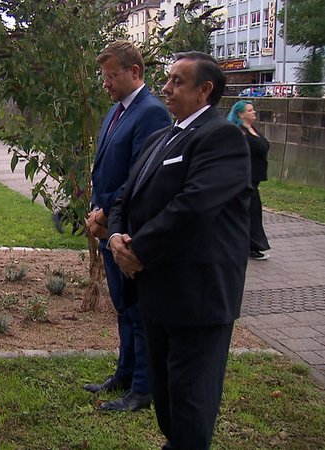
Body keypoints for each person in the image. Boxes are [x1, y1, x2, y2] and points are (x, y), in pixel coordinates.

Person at [107, 51, 251, 449]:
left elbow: (194, 205)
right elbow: (125, 195)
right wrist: (117, 236)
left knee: (190, 400)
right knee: (167, 397)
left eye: (177, 82)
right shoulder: (163, 136)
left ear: (205, 90)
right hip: (156, 290)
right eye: (167, 80)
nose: (166, 89)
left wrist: (139, 249)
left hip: (196, 296)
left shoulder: (222, 138)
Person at [83, 40, 171, 412]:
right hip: (107, 226)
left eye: (112, 75)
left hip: (128, 229)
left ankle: (142, 388)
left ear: (135, 72)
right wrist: (94, 209)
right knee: (122, 308)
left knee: (137, 312)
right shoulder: (116, 111)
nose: (106, 83)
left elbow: (140, 172)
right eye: (103, 76)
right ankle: (123, 373)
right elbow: (106, 166)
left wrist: (105, 213)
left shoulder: (151, 112)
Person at [228, 100, 271, 260]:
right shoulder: (238, 132)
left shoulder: (252, 130)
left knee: (253, 212)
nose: (254, 112)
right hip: (244, 180)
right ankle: (252, 246)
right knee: (249, 212)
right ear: (240, 114)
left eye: (253, 110)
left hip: (255, 179)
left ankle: (251, 245)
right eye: (250, 110)